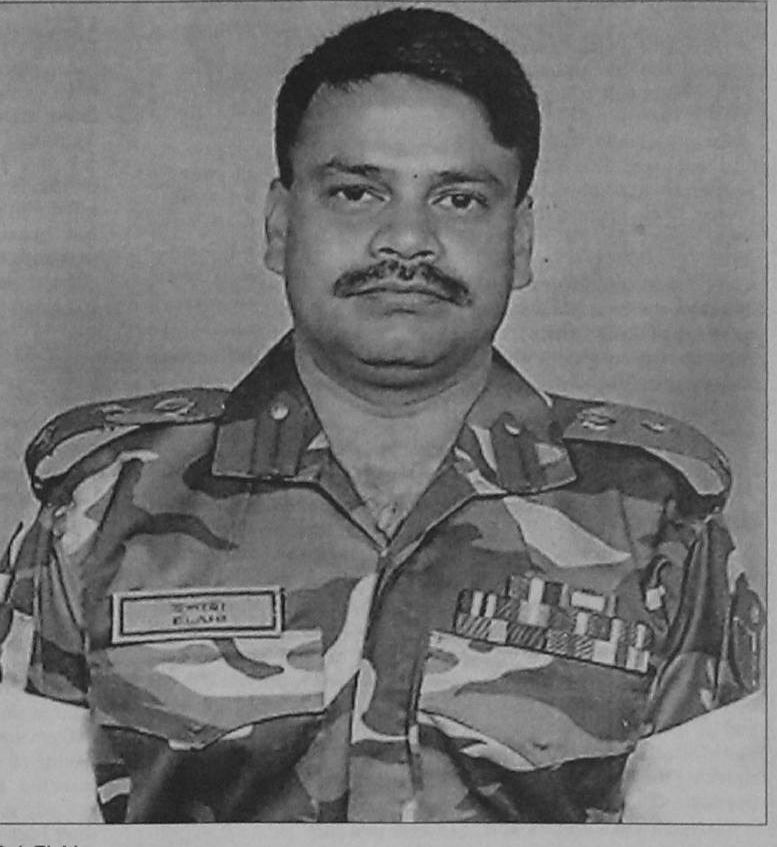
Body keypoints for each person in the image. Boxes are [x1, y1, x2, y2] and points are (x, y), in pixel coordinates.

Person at [0, 6, 763, 823]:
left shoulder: (653, 526)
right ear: (279, 225)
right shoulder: (104, 510)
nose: (406, 239)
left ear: (520, 240)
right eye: (356, 192)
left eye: (459, 199)